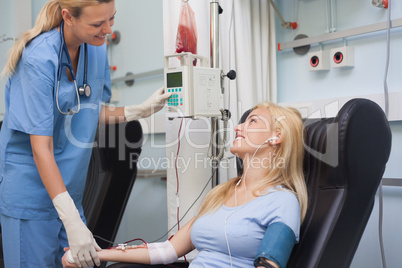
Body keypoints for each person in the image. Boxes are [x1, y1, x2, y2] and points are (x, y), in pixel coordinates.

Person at [0, 1, 171, 268]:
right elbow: (40, 148)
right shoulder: (37, 59)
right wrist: (70, 219)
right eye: (97, 24)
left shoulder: (96, 48)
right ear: (67, 17)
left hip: (69, 192)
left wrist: (138, 110)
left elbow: (87, 110)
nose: (107, 30)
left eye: (111, 19)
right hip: (31, 196)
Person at [62, 102, 308, 268]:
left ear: (276, 136)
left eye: (252, 121)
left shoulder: (283, 201)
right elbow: (167, 251)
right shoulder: (220, 194)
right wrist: (96, 254)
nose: (238, 126)